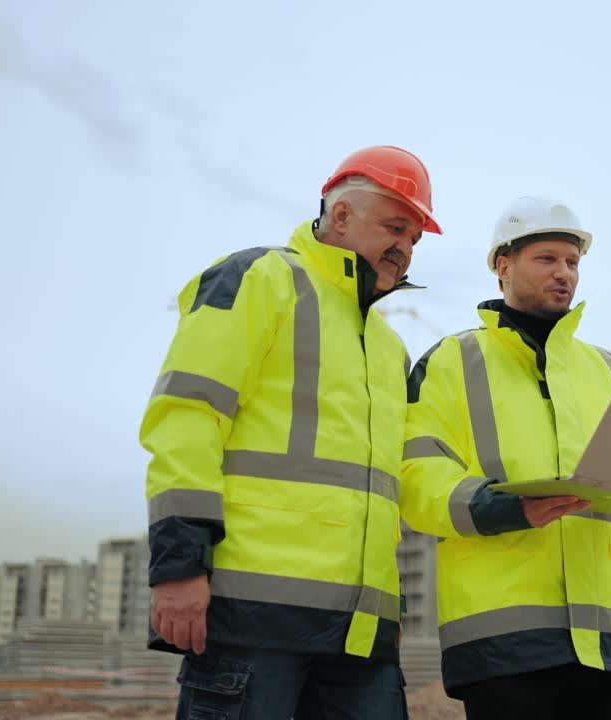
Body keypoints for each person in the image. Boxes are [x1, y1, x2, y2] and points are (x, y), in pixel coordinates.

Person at [141, 146, 440, 720]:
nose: (404, 248)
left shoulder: (387, 346)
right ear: (343, 215)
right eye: (395, 226)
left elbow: (385, 492)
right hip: (253, 617)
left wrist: (383, 614)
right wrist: (179, 566)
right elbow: (186, 416)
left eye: (415, 238)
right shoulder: (260, 279)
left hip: (361, 641)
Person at [400, 196, 611, 720]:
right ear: (503, 266)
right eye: (547, 259)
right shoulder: (453, 363)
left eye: (572, 262)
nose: (564, 273)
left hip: (610, 642)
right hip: (504, 642)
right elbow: (415, 479)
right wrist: (500, 507)